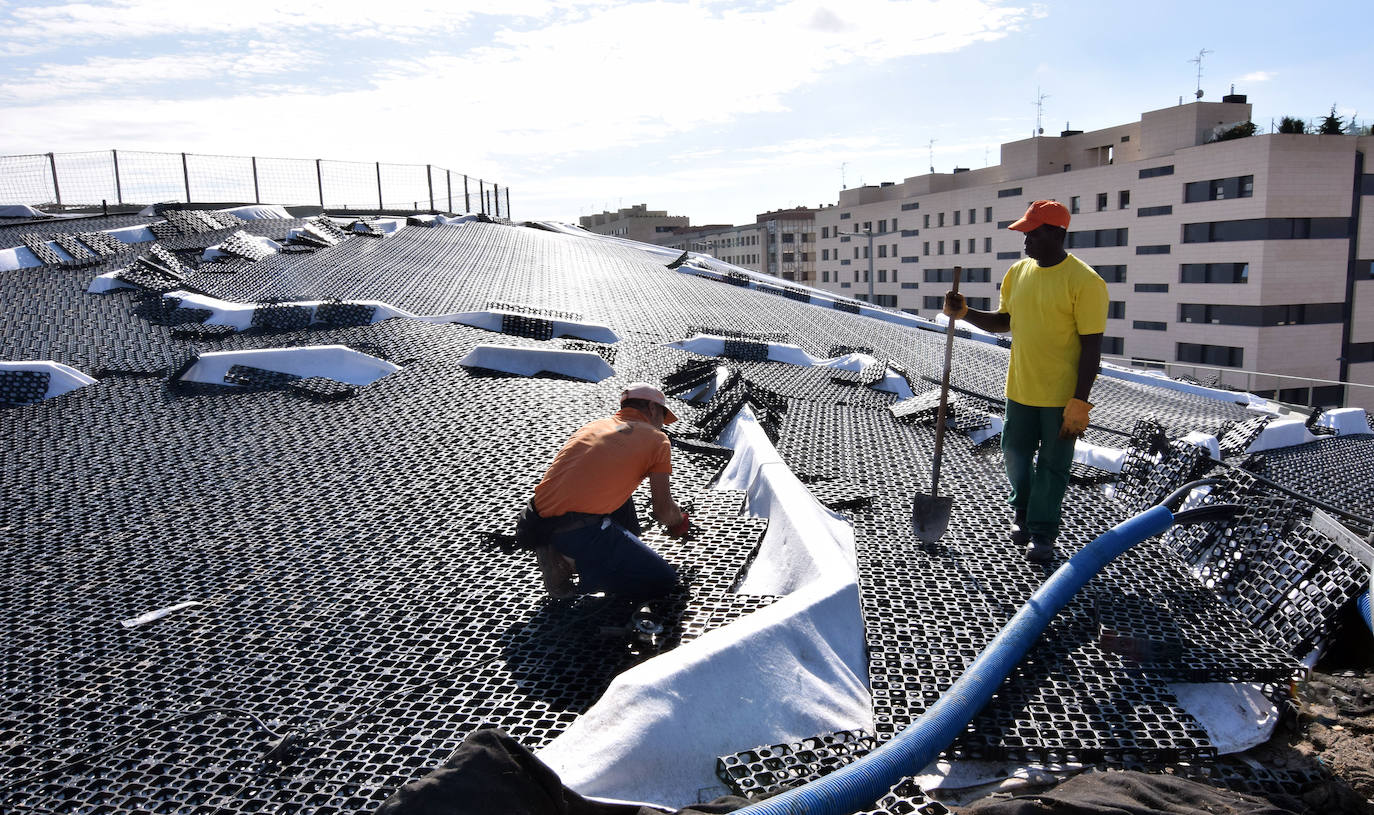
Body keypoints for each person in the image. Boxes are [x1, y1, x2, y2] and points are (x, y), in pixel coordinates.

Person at [943, 200, 1108, 563]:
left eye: (1032, 232)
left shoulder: (1086, 282)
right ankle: (1023, 514)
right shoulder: (1018, 273)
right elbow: (1005, 321)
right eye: (1025, 232)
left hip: (1061, 396)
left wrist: (1079, 402)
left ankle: (1044, 533)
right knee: (1015, 454)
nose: (1025, 239)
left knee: (1053, 465)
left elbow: (1092, 347)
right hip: (1020, 389)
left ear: (1056, 233)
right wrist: (966, 313)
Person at [519, 383, 690, 598]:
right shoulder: (658, 440)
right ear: (652, 408)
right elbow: (663, 510)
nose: (662, 426)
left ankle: (582, 550)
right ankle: (566, 562)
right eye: (662, 418)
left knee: (623, 499)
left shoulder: (594, 427)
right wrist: (679, 522)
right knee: (663, 580)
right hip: (577, 531)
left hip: (535, 523)